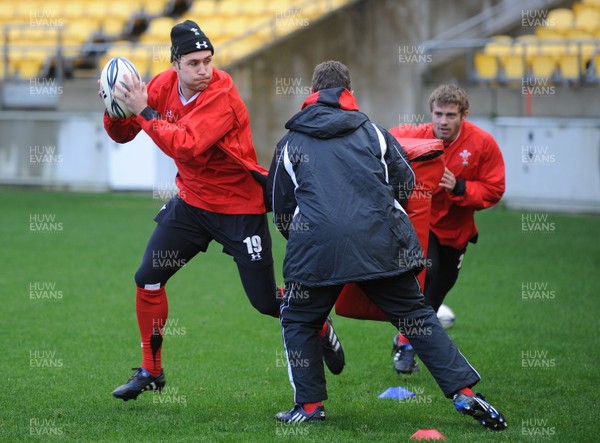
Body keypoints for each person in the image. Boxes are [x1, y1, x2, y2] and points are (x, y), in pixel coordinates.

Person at [100, 20, 345, 401]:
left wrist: (143, 111)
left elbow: (186, 146)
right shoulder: (163, 87)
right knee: (147, 278)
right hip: (192, 205)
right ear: (175, 63)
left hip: (238, 209)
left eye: (208, 61)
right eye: (195, 63)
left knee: (265, 303)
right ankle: (151, 369)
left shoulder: (222, 92)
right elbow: (124, 132)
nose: (204, 70)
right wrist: (114, 109)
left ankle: (319, 325)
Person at [268, 61, 507, 430]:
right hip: (380, 243)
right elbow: (404, 183)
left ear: (312, 92)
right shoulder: (373, 133)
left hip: (316, 247)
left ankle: (310, 406)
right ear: (349, 90)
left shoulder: (291, 141)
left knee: (299, 319)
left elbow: (281, 206)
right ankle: (465, 393)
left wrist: (307, 239)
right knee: (417, 317)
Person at [388, 84, 505, 374]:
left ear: (464, 115)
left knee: (437, 291)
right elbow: (380, 142)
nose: (443, 121)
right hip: (422, 225)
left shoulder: (482, 143)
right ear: (431, 113)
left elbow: (495, 188)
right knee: (429, 273)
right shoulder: (415, 134)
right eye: (438, 114)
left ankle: (405, 338)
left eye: (451, 115)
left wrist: (459, 186)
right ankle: (406, 347)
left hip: (456, 231)